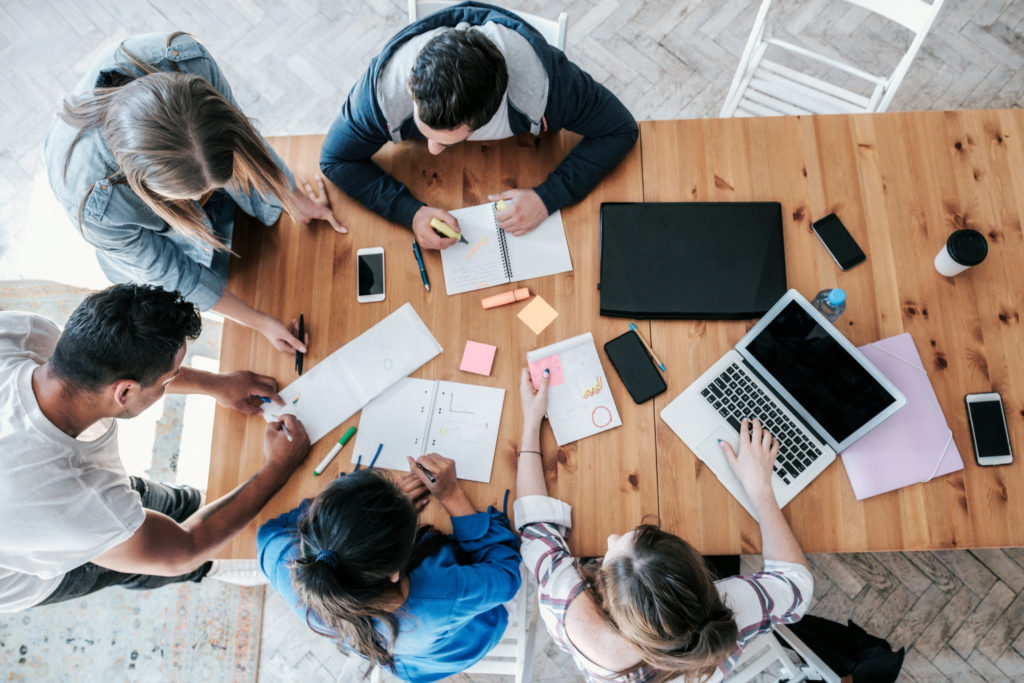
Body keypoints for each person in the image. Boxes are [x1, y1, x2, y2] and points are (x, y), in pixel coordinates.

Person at [0, 283, 311, 613]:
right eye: (168, 379)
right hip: (19, 565)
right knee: (138, 560)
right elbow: (182, 550)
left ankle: (198, 513)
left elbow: (118, 364)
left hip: (35, 498)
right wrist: (277, 468)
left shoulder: (21, 335)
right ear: (124, 393)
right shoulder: (75, 504)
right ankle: (222, 564)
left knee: (158, 501)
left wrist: (217, 384)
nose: (169, 383)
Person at [44, 32, 344, 354]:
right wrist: (260, 322)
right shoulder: (95, 207)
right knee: (226, 274)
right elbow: (174, 274)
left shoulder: (186, 59)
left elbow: (245, 137)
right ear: (143, 184)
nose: (205, 198)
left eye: (210, 189)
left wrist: (294, 198)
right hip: (141, 233)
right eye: (191, 196)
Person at [514, 369, 813, 682]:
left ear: (609, 603)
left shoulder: (568, 605)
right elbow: (797, 585)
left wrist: (532, 421)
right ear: (698, 569)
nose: (612, 536)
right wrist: (760, 490)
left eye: (610, 558)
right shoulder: (734, 606)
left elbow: (535, 525)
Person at [319, 1, 639, 250]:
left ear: (490, 114)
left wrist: (548, 197)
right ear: (411, 88)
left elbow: (621, 128)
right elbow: (334, 160)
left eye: (447, 141)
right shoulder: (380, 94)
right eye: (424, 129)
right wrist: (409, 212)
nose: (433, 150)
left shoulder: (551, 87)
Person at [258, 454, 521, 682]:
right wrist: (452, 495)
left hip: (409, 664)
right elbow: (507, 575)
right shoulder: (442, 593)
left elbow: (267, 533)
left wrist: (355, 515)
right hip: (460, 644)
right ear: (394, 572)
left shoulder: (292, 569)